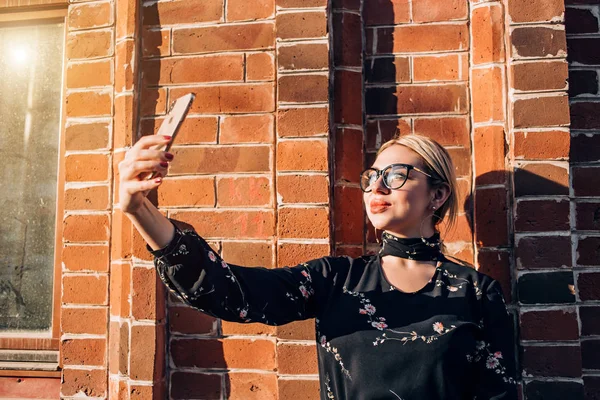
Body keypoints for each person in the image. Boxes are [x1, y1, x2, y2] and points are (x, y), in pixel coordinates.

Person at [119, 133, 518, 400]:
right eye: (371, 177)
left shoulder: (476, 292)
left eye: (396, 175)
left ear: (438, 194)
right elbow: (233, 293)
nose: (376, 187)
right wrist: (139, 209)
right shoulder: (337, 280)